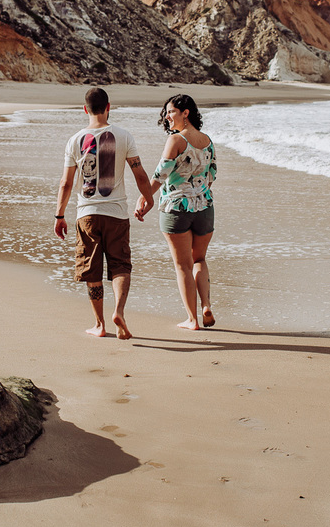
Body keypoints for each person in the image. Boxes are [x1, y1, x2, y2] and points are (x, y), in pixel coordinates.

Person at [55, 87, 154, 339]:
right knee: (120, 264)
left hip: (86, 214)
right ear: (109, 106)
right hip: (117, 213)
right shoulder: (124, 136)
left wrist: (59, 215)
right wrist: (149, 198)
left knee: (92, 269)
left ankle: (99, 325)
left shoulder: (75, 140)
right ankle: (119, 310)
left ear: (85, 109)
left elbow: (66, 183)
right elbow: (140, 173)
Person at [134, 94, 216, 330]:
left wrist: (144, 200)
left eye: (171, 112)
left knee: (183, 266)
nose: (167, 117)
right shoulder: (207, 140)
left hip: (176, 208)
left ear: (185, 112)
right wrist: (197, 192)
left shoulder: (176, 140)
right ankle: (206, 305)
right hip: (204, 207)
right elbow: (212, 176)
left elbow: (160, 175)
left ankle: (192, 320)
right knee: (199, 259)